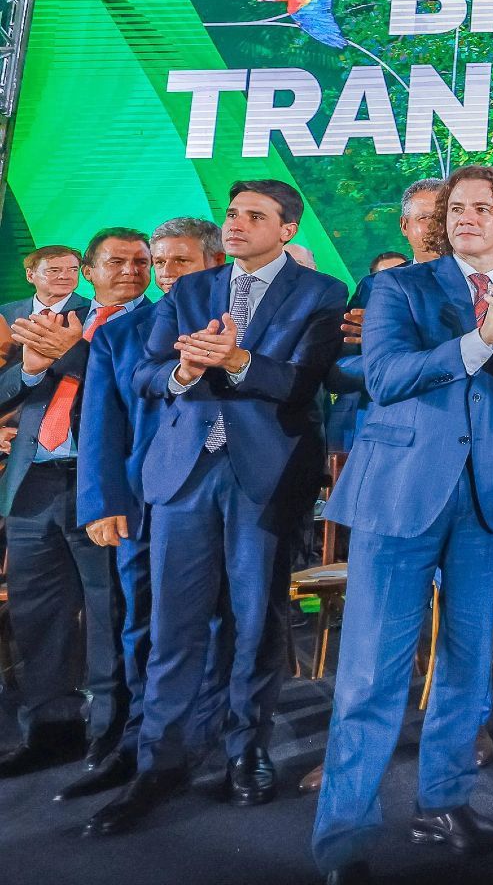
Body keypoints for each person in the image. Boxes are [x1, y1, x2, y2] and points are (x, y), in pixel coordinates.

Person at [310, 165, 493, 883]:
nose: (467, 218)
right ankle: (345, 833)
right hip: (400, 493)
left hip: (490, 498)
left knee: (467, 666)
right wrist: (481, 338)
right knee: (371, 670)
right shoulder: (401, 287)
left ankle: (446, 802)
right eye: (457, 208)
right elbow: (385, 376)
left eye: (484, 208)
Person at [91, 183, 347, 837]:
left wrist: (234, 359)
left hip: (264, 477)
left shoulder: (320, 294)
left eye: (253, 216)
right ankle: (160, 762)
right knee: (172, 623)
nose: (236, 224)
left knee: (256, 622)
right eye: (232, 214)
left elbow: (299, 384)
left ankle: (246, 749)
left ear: (285, 229)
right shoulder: (190, 292)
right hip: (183, 475)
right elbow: (146, 376)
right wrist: (180, 374)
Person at [65, 219, 229, 804]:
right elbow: (102, 428)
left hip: (225, 504)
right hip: (143, 505)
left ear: (214, 263)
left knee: (221, 626)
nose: (163, 274)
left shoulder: (244, 327)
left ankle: (204, 745)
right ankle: (137, 748)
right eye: (160, 263)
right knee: (141, 626)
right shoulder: (121, 334)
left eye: (178, 262)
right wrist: (102, 502)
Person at [0, 228, 153, 782]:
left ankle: (110, 736)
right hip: (33, 482)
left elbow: (137, 391)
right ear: (90, 271)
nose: (133, 270)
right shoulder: (64, 322)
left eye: (143, 262)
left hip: (102, 488)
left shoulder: (154, 321)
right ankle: (50, 730)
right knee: (37, 617)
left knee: (110, 614)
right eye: (118, 261)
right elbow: (7, 394)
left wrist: (71, 355)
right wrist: (35, 366)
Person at [325, 179, 444, 455]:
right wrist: (386, 358)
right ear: (404, 226)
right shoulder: (375, 286)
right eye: (425, 218)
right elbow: (338, 370)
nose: (436, 227)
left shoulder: (482, 286)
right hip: (386, 431)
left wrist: (398, 332)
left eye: (444, 216)